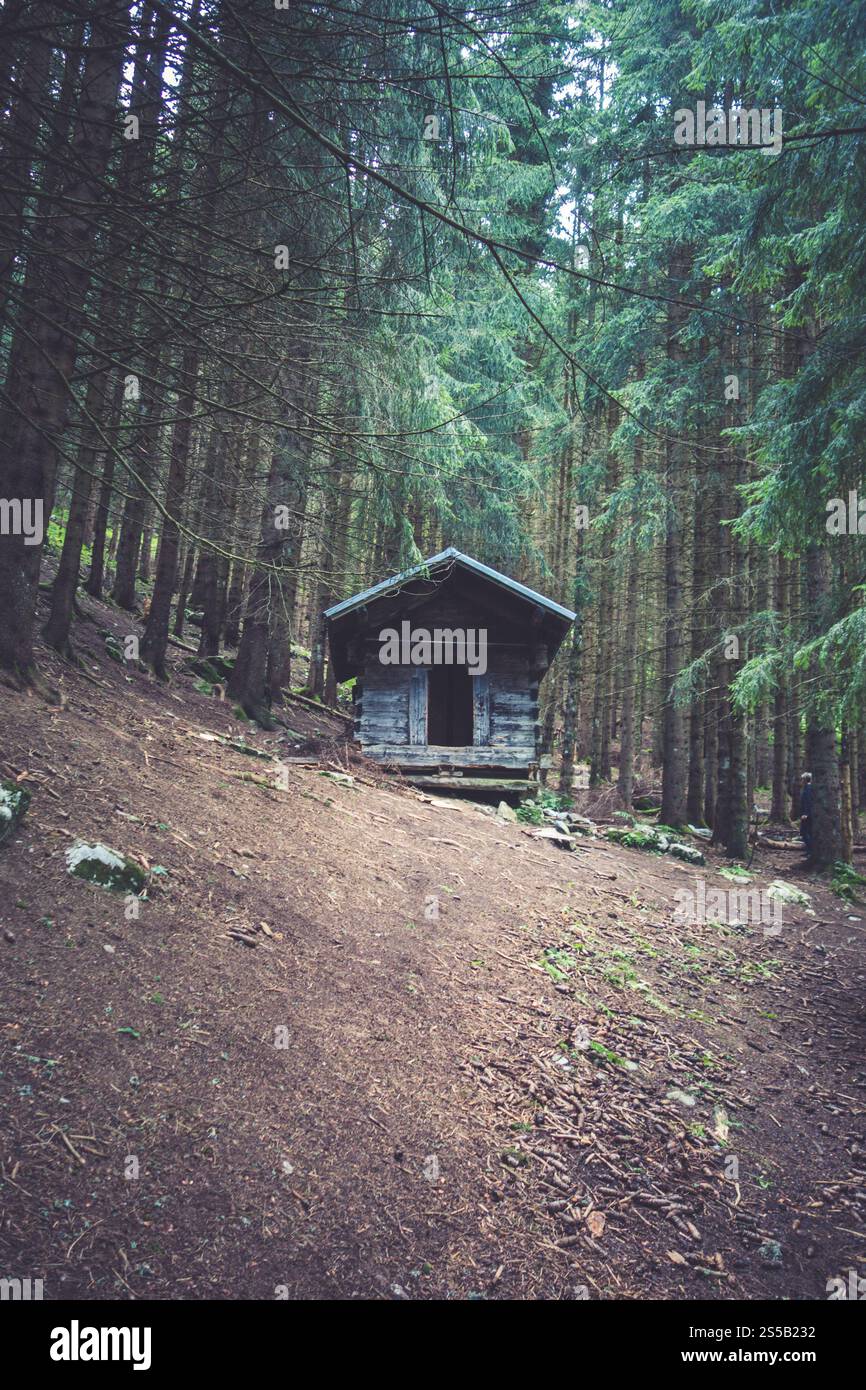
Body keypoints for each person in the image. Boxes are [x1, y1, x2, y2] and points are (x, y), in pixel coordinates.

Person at [799, 772, 813, 856]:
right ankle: (808, 851)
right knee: (807, 833)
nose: (801, 781)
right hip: (808, 814)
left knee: (805, 833)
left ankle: (810, 851)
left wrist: (805, 813)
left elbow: (808, 801)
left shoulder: (808, 788)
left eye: (802, 779)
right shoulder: (808, 787)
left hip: (807, 815)